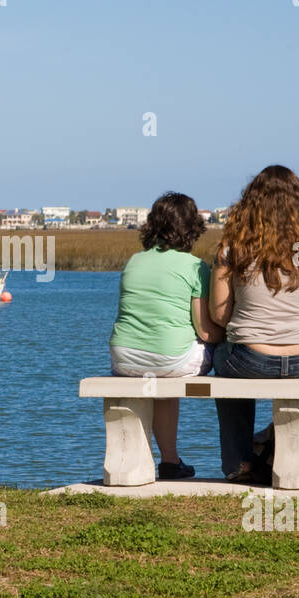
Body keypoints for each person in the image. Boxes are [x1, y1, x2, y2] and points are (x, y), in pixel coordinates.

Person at [208, 166, 299, 483]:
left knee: (223, 363)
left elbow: (219, 316)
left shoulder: (233, 249)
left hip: (250, 358)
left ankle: (241, 464)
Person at [109, 192, 223, 479]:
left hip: (122, 358)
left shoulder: (133, 262)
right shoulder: (195, 267)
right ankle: (171, 460)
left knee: (160, 379)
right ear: (191, 227)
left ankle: (164, 460)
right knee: (193, 361)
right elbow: (205, 331)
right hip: (170, 361)